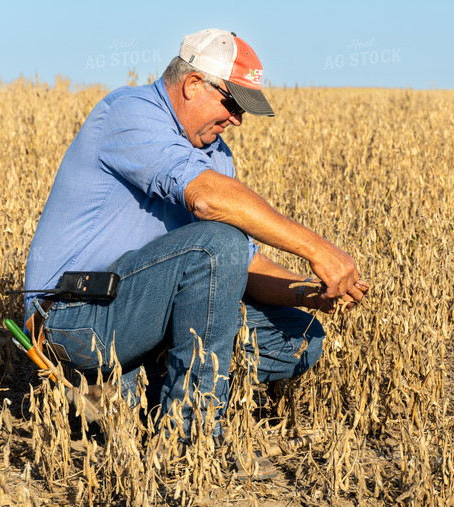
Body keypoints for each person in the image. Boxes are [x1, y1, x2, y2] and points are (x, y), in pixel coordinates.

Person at [23, 28, 369, 444]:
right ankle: (191, 437)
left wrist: (306, 293)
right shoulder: (129, 113)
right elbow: (206, 204)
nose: (238, 120)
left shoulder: (215, 155)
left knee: (299, 337)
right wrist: (316, 248)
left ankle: (121, 392)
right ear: (191, 85)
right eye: (233, 104)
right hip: (76, 318)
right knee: (215, 244)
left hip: (145, 318)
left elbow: (246, 262)